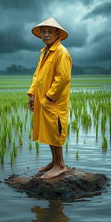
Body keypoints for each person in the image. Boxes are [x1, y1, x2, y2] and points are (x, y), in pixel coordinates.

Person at [27, 17, 72, 179]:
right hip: (43, 99)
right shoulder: (45, 52)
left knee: (55, 130)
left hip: (54, 101)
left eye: (49, 32)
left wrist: (49, 97)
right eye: (43, 32)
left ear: (57, 34)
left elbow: (63, 78)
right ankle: (54, 162)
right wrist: (32, 94)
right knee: (48, 130)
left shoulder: (61, 52)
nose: (46, 35)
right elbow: (37, 75)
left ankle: (60, 165)